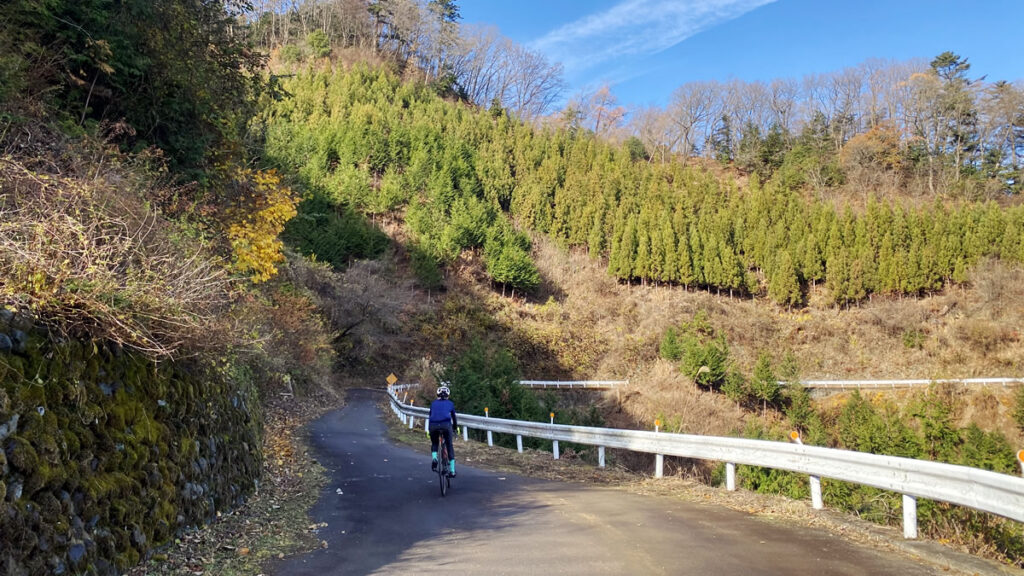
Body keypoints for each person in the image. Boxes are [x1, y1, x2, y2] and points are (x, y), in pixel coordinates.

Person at [429, 383, 458, 477]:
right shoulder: (450, 404)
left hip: (433, 426)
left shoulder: (433, 403)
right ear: (448, 396)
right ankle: (452, 470)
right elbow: (454, 418)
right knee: (449, 445)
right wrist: (454, 428)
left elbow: (430, 416)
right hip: (446, 426)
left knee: (435, 443)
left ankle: (434, 458)